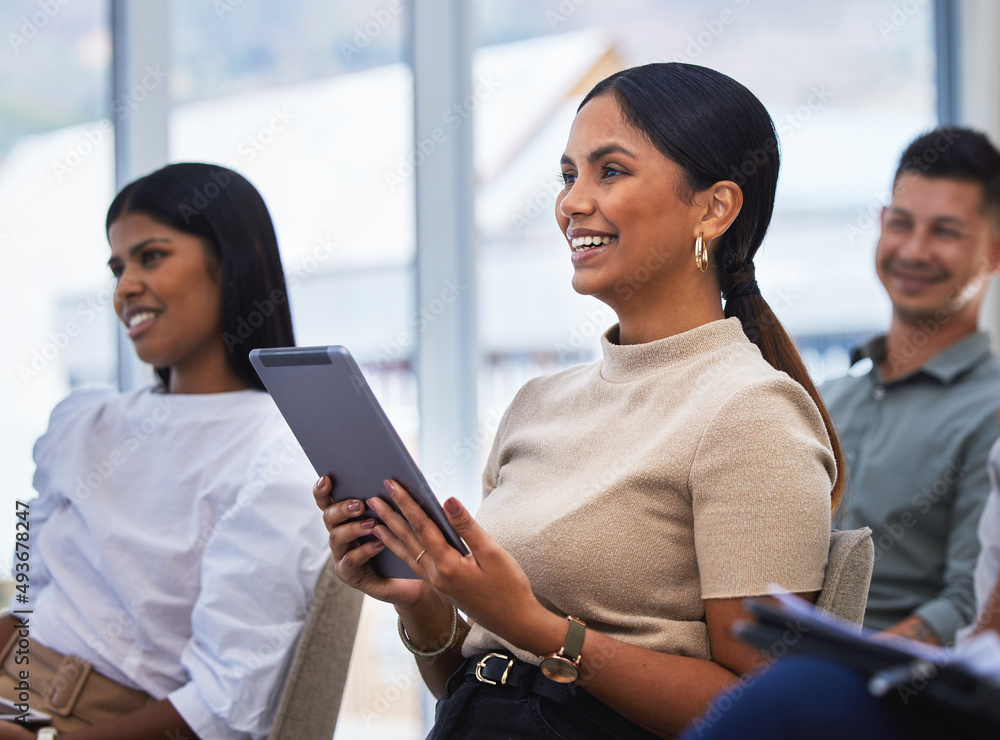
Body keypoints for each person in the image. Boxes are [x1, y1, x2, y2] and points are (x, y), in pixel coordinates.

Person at [316, 62, 843, 738]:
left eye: (611, 172)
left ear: (713, 208)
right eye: (568, 176)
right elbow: (472, 681)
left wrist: (540, 630)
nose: (571, 202)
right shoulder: (537, 403)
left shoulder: (752, 412)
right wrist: (421, 600)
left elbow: (757, 718)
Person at [0, 163, 329, 740]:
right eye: (117, 266)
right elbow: (30, 597)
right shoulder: (87, 422)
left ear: (234, 259)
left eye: (150, 257)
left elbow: (223, 708)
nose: (124, 286)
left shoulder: (275, 453)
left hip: (89, 724)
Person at [676, 438, 1000, 740]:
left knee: (794, 690)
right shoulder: (840, 395)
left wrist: (865, 660)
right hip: (842, 646)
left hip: (908, 664)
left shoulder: (978, 408)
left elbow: (969, 603)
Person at [822, 127, 1000, 646]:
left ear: (993, 253)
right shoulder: (828, 395)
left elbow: (969, 603)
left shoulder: (991, 412)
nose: (914, 250)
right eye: (901, 223)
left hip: (888, 692)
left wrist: (845, 669)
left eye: (945, 232)